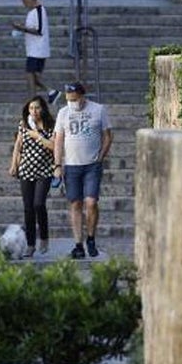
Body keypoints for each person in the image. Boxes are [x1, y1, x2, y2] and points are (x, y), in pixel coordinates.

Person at [53, 82, 112, 259]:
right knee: (75, 204)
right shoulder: (63, 113)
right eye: (68, 99)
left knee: (91, 202)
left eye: (75, 99)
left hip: (92, 165)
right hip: (72, 165)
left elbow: (108, 136)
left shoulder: (98, 110)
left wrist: (101, 156)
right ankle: (78, 244)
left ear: (82, 96)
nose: (72, 103)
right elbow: (58, 140)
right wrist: (57, 165)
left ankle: (91, 238)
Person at [8, 95, 57, 257]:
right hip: (26, 170)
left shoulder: (51, 125)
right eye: (31, 108)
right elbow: (18, 147)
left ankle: (44, 237)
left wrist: (38, 135)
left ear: (42, 108)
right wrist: (14, 164)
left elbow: (53, 146)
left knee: (38, 204)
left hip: (44, 170)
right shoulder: (23, 124)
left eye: (36, 108)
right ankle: (30, 244)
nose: (34, 111)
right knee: (28, 208)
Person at [10, 0, 59, 105]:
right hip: (34, 49)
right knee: (34, 76)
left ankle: (33, 99)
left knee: (30, 75)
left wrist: (21, 28)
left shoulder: (39, 10)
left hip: (38, 50)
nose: (24, 4)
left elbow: (39, 30)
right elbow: (32, 27)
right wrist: (22, 28)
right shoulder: (33, 12)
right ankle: (51, 92)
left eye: (24, 1)